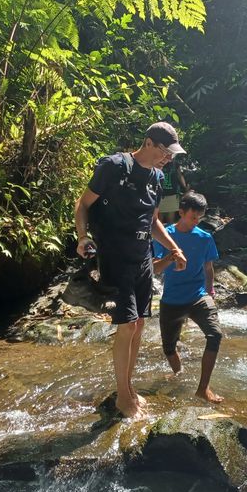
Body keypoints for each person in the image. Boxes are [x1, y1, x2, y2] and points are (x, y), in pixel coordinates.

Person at [75, 122, 187, 419]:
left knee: (138, 325)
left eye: (172, 154)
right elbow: (83, 204)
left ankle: (128, 386)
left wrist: (173, 247)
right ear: (148, 143)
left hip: (143, 259)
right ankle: (123, 397)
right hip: (115, 256)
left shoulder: (158, 177)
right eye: (165, 152)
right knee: (126, 326)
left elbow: (152, 222)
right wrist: (82, 237)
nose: (168, 158)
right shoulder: (113, 167)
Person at [152, 191, 224, 403]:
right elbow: (155, 269)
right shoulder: (165, 235)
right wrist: (171, 256)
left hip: (198, 296)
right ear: (181, 212)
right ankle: (178, 373)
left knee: (215, 335)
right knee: (169, 348)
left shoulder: (205, 238)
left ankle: (203, 388)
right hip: (172, 299)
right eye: (192, 217)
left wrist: (210, 292)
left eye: (199, 218)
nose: (196, 222)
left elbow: (208, 268)